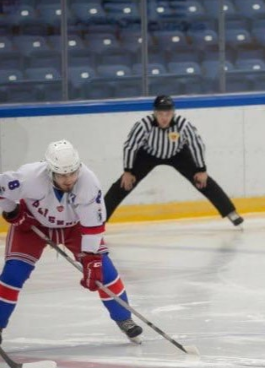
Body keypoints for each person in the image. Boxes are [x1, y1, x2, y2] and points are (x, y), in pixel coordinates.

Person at [0, 140, 143, 344]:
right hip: (32, 225)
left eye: (72, 173)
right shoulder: (30, 177)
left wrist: (92, 259)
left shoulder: (89, 183)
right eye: (62, 174)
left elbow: (93, 226)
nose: (68, 179)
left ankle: (124, 319)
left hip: (74, 227)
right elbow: (1, 189)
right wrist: (13, 212)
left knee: (104, 272)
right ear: (50, 171)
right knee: (13, 274)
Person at [104, 95, 244, 226]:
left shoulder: (183, 124)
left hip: (178, 154)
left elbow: (197, 144)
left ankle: (230, 212)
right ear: (154, 112)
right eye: (160, 114)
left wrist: (202, 170)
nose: (164, 118)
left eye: (168, 114)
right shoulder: (143, 125)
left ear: (173, 112)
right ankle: (98, 219)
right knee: (123, 184)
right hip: (148, 155)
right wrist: (128, 171)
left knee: (203, 180)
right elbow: (130, 147)